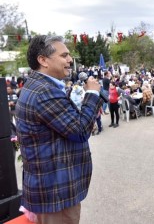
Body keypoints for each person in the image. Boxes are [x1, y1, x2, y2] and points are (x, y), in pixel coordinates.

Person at [15, 35, 103, 223]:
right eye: (64, 55)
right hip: (56, 195)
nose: (70, 60)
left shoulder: (40, 86)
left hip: (53, 190)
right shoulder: (44, 91)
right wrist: (92, 94)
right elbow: (79, 131)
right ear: (43, 60)